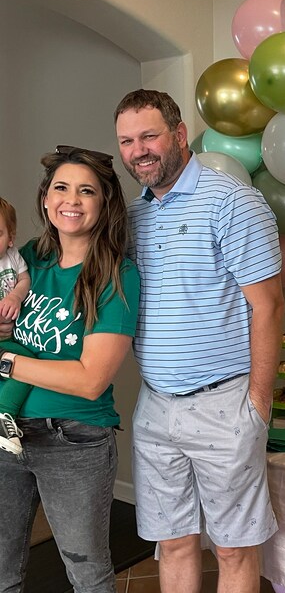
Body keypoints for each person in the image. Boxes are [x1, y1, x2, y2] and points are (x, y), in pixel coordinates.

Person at [114, 89, 284, 593]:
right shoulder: (133, 216)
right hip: (155, 408)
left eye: (149, 136)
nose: (138, 150)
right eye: (127, 141)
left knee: (232, 547)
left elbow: (269, 306)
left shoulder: (232, 201)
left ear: (179, 134)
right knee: (173, 542)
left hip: (225, 403)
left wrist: (258, 402)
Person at [0, 146, 140, 593]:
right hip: (6, 433)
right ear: (45, 198)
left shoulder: (117, 274)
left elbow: (89, 379)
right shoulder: (26, 260)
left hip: (73, 441)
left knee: (87, 571)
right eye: (61, 187)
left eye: (86, 191)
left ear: (103, 204)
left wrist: (6, 362)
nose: (71, 200)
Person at [0, 197, 32, 454]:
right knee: (28, 366)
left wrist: (15, 296)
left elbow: (24, 279)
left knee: (26, 366)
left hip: (7, 339)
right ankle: (4, 413)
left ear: (10, 238)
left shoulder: (13, 257)